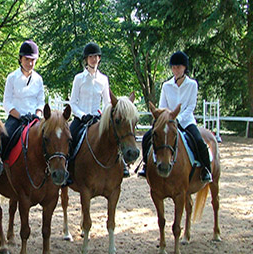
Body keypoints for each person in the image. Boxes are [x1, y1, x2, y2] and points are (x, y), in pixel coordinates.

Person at [138, 51, 212, 183]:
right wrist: (167, 119)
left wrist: (178, 119)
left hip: (186, 121)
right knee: (147, 137)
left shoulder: (192, 84)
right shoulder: (166, 86)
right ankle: (145, 165)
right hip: (167, 122)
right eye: (173, 67)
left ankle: (206, 169)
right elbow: (162, 106)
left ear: (184, 68)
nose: (175, 70)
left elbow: (191, 107)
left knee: (199, 141)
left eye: (178, 67)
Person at [0, 39, 45, 188]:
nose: (30, 63)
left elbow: (41, 101)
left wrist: (37, 114)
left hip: (35, 119)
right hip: (17, 118)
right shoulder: (12, 77)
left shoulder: (38, 79)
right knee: (4, 138)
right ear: (20, 59)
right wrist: (20, 116)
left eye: (33, 60)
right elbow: (7, 102)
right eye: (27, 59)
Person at [68, 42, 130, 178]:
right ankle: (68, 169)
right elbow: (73, 103)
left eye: (96, 56)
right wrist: (82, 115)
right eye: (91, 57)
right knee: (69, 139)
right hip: (81, 119)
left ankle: (123, 164)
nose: (94, 59)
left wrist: (104, 114)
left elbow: (107, 102)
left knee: (115, 136)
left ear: (99, 58)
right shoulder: (79, 79)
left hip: (98, 119)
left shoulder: (103, 79)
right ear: (86, 59)